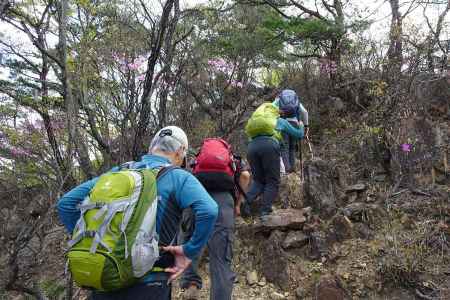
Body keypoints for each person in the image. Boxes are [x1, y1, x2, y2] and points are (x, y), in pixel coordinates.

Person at [57, 126, 218, 300]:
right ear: (180, 152)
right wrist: (189, 251)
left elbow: (66, 204)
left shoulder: (118, 172)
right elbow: (209, 210)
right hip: (150, 281)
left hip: (106, 274)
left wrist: (94, 240)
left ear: (152, 148)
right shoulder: (178, 177)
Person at [180, 141, 251, 300]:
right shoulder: (234, 159)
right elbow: (245, 176)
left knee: (190, 240)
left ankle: (191, 284)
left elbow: (186, 176)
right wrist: (238, 204)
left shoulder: (197, 158)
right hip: (223, 202)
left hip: (196, 198)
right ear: (226, 148)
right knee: (221, 259)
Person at [244, 104, 304, 218]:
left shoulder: (256, 124)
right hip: (269, 146)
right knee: (272, 181)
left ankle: (245, 203)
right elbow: (298, 134)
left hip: (251, 147)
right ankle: (265, 212)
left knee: (258, 181)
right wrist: (301, 126)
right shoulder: (279, 121)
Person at [272, 89, 309, 173]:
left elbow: (271, 108)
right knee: (292, 147)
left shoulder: (278, 100)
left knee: (284, 147)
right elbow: (305, 112)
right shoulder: (296, 101)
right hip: (295, 124)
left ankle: (287, 169)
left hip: (283, 124)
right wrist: (306, 126)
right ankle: (292, 169)